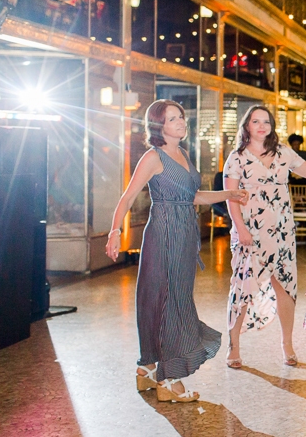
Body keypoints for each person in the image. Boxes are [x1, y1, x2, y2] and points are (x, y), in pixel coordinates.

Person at [106, 99, 248, 403]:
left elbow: (192, 196)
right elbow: (128, 196)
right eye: (172, 119)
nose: (181, 122)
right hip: (164, 234)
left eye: (181, 117)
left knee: (163, 297)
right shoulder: (152, 157)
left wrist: (229, 193)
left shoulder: (182, 153)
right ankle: (169, 378)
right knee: (169, 300)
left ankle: (147, 368)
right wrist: (115, 231)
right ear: (159, 126)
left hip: (184, 234)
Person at [222, 106, 306, 369]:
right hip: (251, 232)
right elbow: (232, 200)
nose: (261, 126)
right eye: (255, 121)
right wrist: (242, 229)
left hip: (282, 233)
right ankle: (233, 346)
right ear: (246, 126)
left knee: (286, 288)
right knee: (242, 288)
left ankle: (287, 344)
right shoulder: (237, 158)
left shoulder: (284, 154)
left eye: (265, 122)